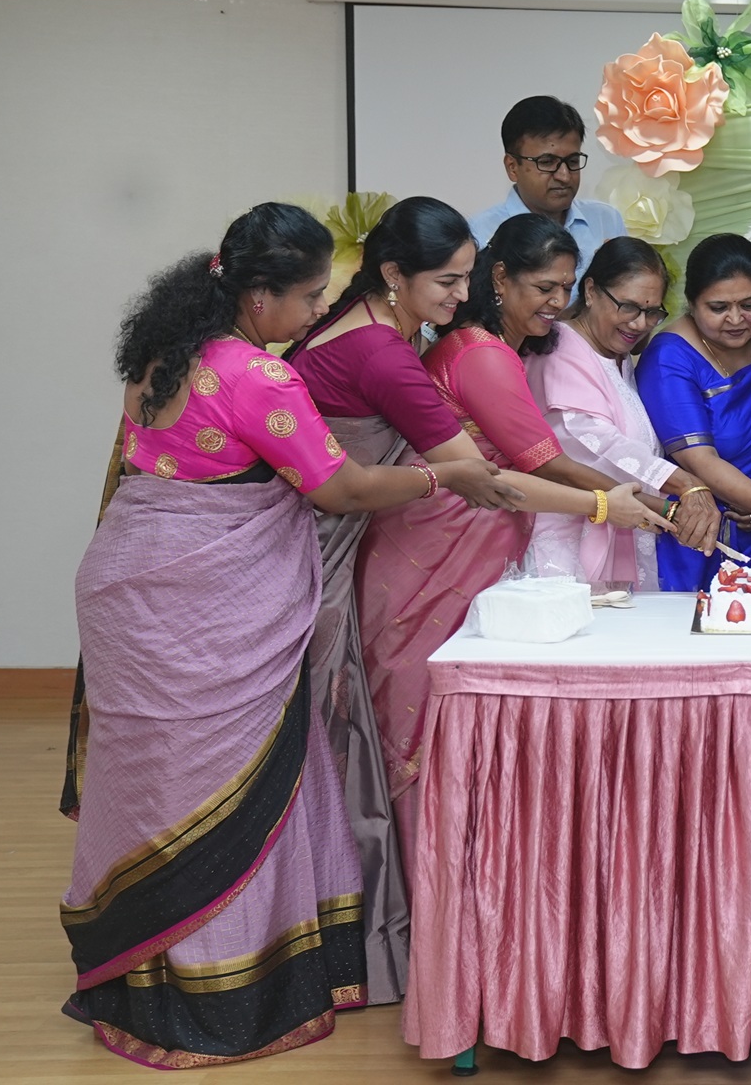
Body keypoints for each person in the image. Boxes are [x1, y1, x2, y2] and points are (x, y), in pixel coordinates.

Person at [61, 204, 502, 1065]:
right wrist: (438, 477)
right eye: (307, 297)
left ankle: (138, 973)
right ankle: (218, 988)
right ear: (258, 296)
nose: (316, 312)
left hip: (126, 585)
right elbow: (339, 490)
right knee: (229, 781)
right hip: (211, 607)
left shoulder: (160, 353)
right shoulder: (260, 377)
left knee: (151, 781)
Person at [286, 198, 662, 962]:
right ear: (395, 274)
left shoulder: (401, 331)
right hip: (374, 551)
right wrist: (605, 505)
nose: (460, 295)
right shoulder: (405, 351)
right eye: (449, 281)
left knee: (398, 733)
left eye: (465, 279)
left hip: (395, 543)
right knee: (401, 735)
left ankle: (422, 921)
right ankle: (410, 932)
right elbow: (485, 477)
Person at [354, 216, 677, 847]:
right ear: (499, 278)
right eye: (544, 288)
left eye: (566, 288)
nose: (558, 303)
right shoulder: (480, 353)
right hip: (436, 549)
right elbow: (539, 463)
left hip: (471, 543)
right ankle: (427, 879)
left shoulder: (500, 348)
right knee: (430, 721)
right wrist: (617, 504)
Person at [524, 236, 722, 589]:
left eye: (652, 312)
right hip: (568, 548)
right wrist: (686, 484)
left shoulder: (618, 356)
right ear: (591, 291)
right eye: (628, 307)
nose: (639, 324)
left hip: (622, 533)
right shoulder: (559, 349)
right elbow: (596, 441)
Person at [636, 234, 751, 589]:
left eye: (750, 304)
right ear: (691, 303)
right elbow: (700, 460)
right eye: (718, 308)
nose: (736, 319)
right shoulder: (669, 358)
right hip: (699, 532)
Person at [465, 95, 627, 283]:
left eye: (573, 161)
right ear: (512, 167)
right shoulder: (479, 235)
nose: (564, 176)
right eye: (547, 162)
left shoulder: (605, 220)